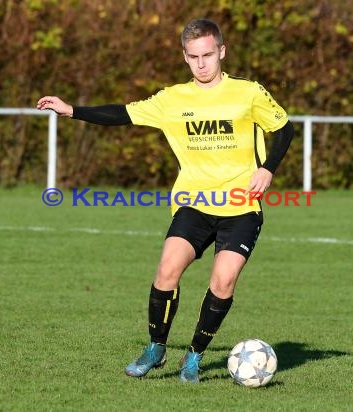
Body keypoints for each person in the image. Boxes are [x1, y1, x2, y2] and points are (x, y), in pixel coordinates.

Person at [37, 18, 294, 383]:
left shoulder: (249, 92)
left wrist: (268, 168)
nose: (202, 64)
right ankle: (156, 348)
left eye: (208, 55)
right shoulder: (172, 99)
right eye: (194, 57)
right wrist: (72, 110)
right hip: (193, 204)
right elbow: (123, 114)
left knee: (223, 282)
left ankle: (194, 356)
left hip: (241, 206)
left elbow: (285, 128)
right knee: (167, 270)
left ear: (221, 51)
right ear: (185, 57)